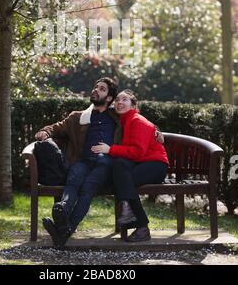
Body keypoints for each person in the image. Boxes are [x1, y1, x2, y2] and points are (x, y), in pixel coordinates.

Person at [35, 77, 120, 247]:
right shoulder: (78, 117)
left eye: (102, 89)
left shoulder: (118, 117)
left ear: (109, 98)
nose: (96, 90)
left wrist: (155, 132)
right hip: (84, 161)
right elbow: (56, 127)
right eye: (95, 87)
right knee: (73, 179)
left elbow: (140, 122)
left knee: (87, 188)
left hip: (106, 163)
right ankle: (63, 210)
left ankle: (63, 230)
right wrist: (45, 131)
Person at [92, 89, 169, 242]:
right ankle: (136, 222)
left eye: (125, 99)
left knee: (121, 181)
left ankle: (140, 225)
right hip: (140, 164)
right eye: (117, 100)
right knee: (120, 166)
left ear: (133, 105)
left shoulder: (137, 121)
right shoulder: (124, 121)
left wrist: (110, 149)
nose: (120, 102)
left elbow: (137, 152)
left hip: (155, 166)